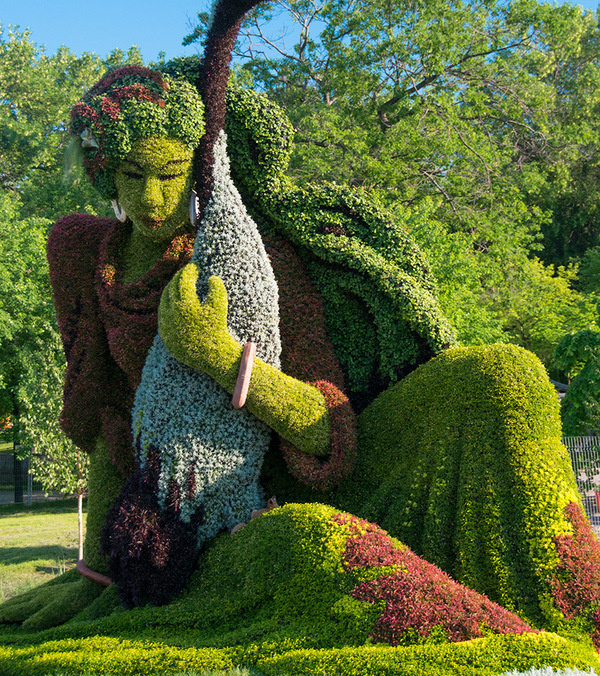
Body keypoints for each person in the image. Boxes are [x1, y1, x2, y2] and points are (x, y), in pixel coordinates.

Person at [1, 63, 596, 635]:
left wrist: (217, 355)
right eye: (133, 175)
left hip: (273, 503)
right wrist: (96, 575)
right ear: (106, 173)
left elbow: (325, 432)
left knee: (503, 375)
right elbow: (110, 427)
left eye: (171, 173)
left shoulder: (257, 257)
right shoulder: (85, 252)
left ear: (203, 166)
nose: (153, 198)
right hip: (168, 534)